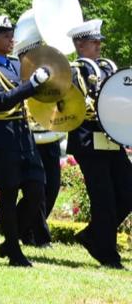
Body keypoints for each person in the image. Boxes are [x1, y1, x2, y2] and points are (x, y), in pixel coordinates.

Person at [0, 15, 50, 267]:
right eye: (5, 36)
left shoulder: (17, 64)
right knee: (8, 192)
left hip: (22, 132)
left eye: (11, 35)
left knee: (37, 188)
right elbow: (0, 100)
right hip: (0, 134)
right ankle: (14, 251)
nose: (11, 40)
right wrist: (32, 85)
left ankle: (10, 240)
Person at [67, 19, 132, 269]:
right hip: (89, 142)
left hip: (111, 139)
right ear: (79, 45)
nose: (98, 46)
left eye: (98, 42)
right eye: (93, 42)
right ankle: (107, 255)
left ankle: (93, 235)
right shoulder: (73, 71)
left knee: (128, 191)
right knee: (103, 199)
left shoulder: (107, 67)